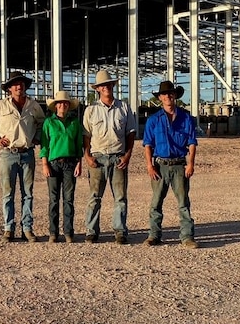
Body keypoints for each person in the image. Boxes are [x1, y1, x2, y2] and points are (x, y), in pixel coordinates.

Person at [0, 71, 46, 243]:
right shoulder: (0, 106)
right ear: (9, 88)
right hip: (8, 154)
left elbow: (42, 122)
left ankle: (27, 229)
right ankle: (8, 228)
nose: (19, 86)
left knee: (28, 194)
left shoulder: (33, 105)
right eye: (15, 84)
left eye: (22, 83)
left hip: (27, 153)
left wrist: (37, 137)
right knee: (8, 194)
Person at [142, 80, 199, 248]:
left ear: (175, 96)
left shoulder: (186, 118)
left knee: (183, 202)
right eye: (165, 94)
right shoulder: (153, 120)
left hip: (180, 165)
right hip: (160, 165)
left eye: (171, 93)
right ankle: (154, 235)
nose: (168, 96)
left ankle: (187, 237)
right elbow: (147, 144)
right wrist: (149, 165)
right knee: (156, 202)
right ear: (160, 98)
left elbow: (192, 142)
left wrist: (191, 164)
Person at [82, 69, 137, 244]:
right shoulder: (91, 110)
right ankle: (91, 231)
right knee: (94, 197)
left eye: (108, 84)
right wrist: (87, 156)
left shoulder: (124, 107)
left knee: (120, 197)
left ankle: (120, 231)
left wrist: (127, 155)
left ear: (112, 85)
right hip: (97, 158)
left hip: (118, 156)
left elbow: (130, 133)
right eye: (102, 85)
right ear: (97, 89)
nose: (106, 87)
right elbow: (86, 136)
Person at [39, 91, 83, 243]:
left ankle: (68, 232)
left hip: (70, 163)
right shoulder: (49, 123)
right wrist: (44, 163)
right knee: (53, 200)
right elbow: (44, 144)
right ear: (55, 106)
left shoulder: (75, 122)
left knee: (69, 199)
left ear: (69, 105)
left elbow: (79, 144)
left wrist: (79, 162)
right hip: (53, 164)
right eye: (60, 103)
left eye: (65, 103)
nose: (62, 105)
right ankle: (53, 232)